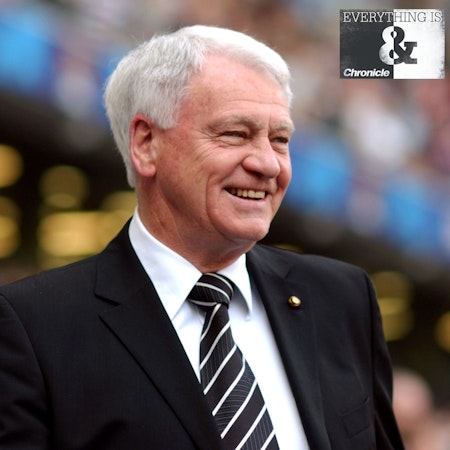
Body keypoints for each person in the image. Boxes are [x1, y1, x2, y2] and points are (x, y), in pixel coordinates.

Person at [0, 25, 403, 449]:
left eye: (280, 140)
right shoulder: (33, 327)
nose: (268, 164)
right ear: (146, 143)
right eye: (236, 134)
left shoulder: (343, 298)